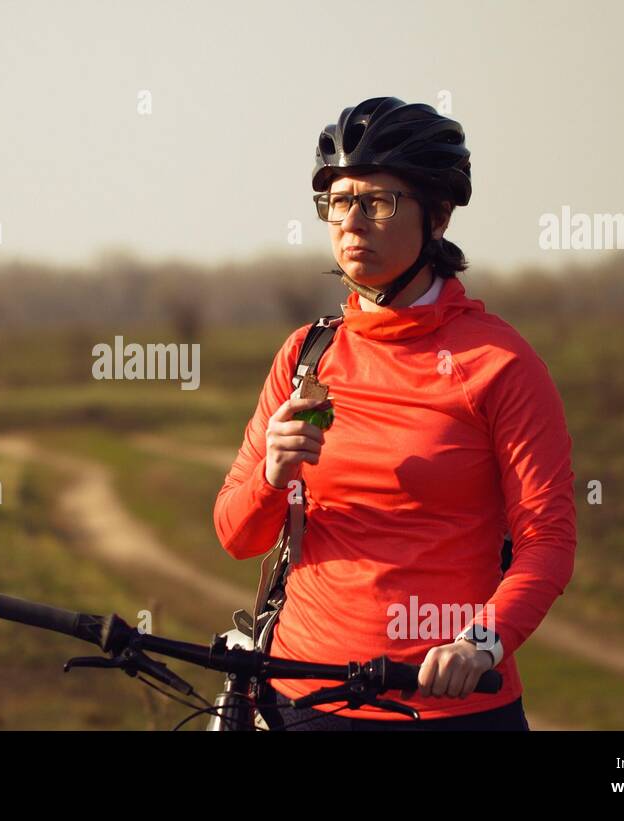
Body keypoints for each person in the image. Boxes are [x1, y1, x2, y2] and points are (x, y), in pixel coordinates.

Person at [212, 97, 577, 730]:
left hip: (449, 705)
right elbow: (236, 536)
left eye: (378, 201)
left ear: (437, 216)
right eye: (338, 201)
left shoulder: (499, 363)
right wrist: (270, 477)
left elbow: (547, 540)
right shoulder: (307, 354)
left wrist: (482, 642)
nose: (352, 221)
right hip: (302, 697)